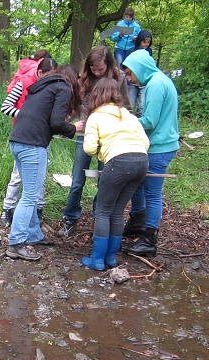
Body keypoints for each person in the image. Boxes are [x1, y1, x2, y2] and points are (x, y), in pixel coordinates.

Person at [6, 58, 83, 261]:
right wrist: (74, 128)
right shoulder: (63, 88)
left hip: (17, 141)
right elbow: (57, 122)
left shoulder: (41, 87)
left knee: (28, 192)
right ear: (73, 80)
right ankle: (16, 243)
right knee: (31, 195)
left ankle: (33, 234)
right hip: (33, 145)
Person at [59, 46, 132, 238]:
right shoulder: (85, 80)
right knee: (77, 180)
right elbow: (76, 105)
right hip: (85, 135)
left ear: (108, 65)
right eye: (93, 69)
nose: (97, 72)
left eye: (100, 69)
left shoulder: (120, 80)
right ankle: (70, 218)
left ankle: (99, 219)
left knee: (104, 180)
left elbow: (126, 108)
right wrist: (64, 123)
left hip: (108, 138)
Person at [80, 78, 149, 270]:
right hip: (141, 162)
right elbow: (145, 143)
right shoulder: (128, 115)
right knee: (118, 210)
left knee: (103, 210)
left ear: (96, 95)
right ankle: (110, 258)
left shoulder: (95, 116)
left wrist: (104, 151)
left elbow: (89, 148)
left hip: (118, 162)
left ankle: (97, 260)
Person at [120, 50, 180, 257]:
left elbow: (150, 121)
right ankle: (137, 221)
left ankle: (149, 240)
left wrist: (124, 122)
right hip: (155, 145)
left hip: (159, 146)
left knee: (153, 194)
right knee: (139, 185)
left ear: (139, 68)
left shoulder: (155, 84)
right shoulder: (161, 80)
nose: (130, 79)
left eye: (130, 74)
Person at [0, 49, 50, 227]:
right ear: (40, 69)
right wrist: (27, 117)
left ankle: (37, 211)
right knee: (18, 175)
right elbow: (5, 107)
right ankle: (8, 210)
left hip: (43, 137)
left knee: (40, 176)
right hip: (24, 135)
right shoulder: (25, 82)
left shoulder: (49, 86)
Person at [125, 30, 153, 116]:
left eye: (148, 42)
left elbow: (150, 65)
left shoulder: (149, 51)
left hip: (143, 82)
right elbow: (125, 67)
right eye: (144, 42)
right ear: (139, 40)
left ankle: (139, 122)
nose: (146, 44)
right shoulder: (131, 51)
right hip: (132, 82)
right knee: (130, 104)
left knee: (142, 105)